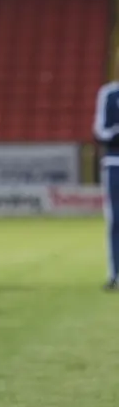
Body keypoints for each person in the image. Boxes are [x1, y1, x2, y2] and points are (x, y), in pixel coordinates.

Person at [93, 78, 119, 290]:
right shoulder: (109, 94)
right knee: (116, 219)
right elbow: (100, 130)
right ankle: (115, 274)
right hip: (115, 163)